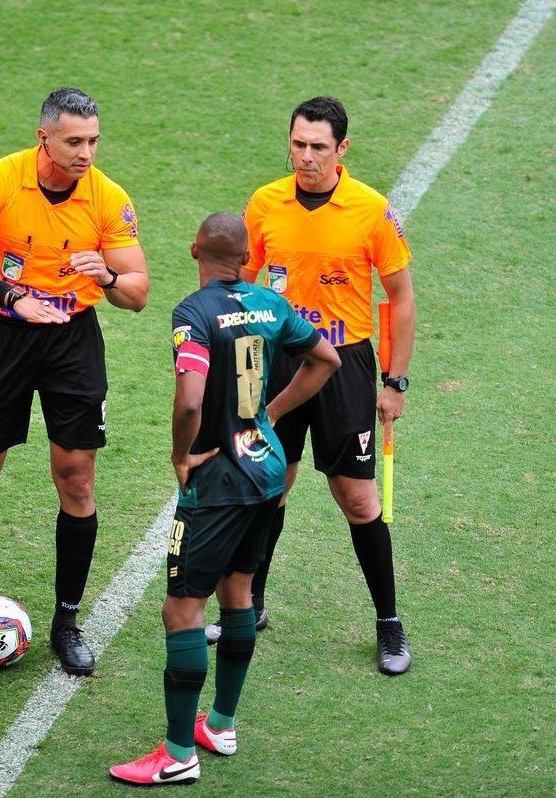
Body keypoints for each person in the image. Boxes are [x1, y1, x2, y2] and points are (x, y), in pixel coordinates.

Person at [109, 212, 339, 786]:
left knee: (181, 609)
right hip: (264, 473)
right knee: (238, 592)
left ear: (194, 251)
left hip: (217, 486)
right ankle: (222, 723)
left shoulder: (194, 312)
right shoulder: (269, 303)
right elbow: (327, 359)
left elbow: (190, 401)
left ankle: (179, 754)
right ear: (247, 258)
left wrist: (182, 454)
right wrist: (274, 414)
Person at [0, 87, 149, 677]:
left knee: (76, 478)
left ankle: (66, 620)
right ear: (43, 136)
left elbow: (138, 293)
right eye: (74, 141)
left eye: (94, 140)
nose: (86, 153)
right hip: (5, 333)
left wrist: (105, 276)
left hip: (73, 340)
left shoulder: (108, 198)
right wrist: (13, 299)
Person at [219, 96, 416, 676]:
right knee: (267, 483)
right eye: (298, 144)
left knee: (357, 498)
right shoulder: (264, 203)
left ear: (342, 150)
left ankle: (388, 623)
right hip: (275, 360)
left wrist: (395, 382)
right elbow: (243, 286)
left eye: (319, 147)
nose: (306, 157)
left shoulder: (372, 210)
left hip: (343, 365)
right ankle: (248, 606)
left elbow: (400, 299)